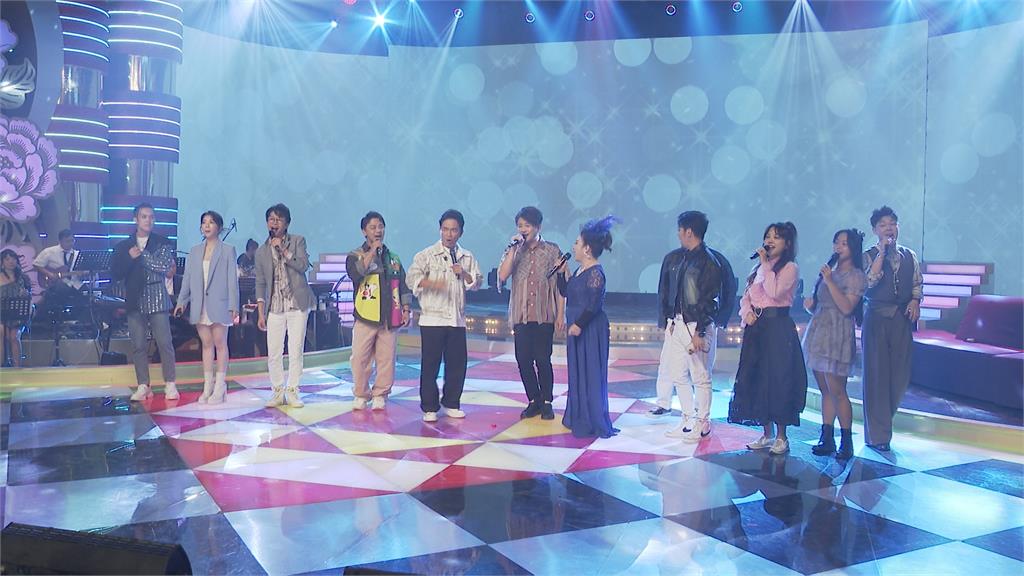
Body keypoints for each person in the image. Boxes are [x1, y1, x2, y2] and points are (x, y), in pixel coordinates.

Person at [728, 222, 807, 455]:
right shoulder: (758, 268)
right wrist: (747, 312)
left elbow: (774, 292)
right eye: (768, 236)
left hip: (778, 328)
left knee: (779, 378)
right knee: (758, 377)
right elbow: (747, 296)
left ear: (787, 243)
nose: (770, 241)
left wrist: (765, 264)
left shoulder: (790, 268)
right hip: (757, 329)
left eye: (776, 237)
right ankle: (766, 433)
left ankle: (782, 437)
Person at [652, 211, 724, 443]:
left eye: (680, 230)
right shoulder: (682, 258)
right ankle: (687, 419)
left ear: (689, 232)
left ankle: (703, 423)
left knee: (700, 376)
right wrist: (671, 320)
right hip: (679, 323)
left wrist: (700, 331)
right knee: (677, 372)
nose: (678, 234)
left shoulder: (708, 261)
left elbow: (711, 299)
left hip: (696, 325)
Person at [407, 209, 482, 422]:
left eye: (454, 230)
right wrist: (432, 283)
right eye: (445, 229)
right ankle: (429, 407)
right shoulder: (426, 255)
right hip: (432, 318)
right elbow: (411, 279)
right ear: (440, 230)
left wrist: (464, 273)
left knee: (457, 364)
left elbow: (477, 282)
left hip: (457, 318)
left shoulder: (467, 256)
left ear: (461, 232)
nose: (449, 234)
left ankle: (451, 402)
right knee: (430, 364)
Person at [861, 206, 922, 451]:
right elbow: (868, 283)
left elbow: (917, 283)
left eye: (893, 224)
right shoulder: (868, 255)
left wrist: (915, 300)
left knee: (899, 376)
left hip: (901, 319)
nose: (889, 228)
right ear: (875, 230)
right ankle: (878, 435)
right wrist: (881, 254)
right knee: (876, 376)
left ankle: (883, 422)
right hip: (876, 318)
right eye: (883, 225)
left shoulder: (909, 255)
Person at [802, 228, 867, 459]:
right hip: (819, 331)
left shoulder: (856, 275)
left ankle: (846, 440)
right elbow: (820, 303)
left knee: (837, 390)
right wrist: (810, 305)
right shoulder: (829, 271)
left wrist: (829, 281)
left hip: (838, 334)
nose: (838, 247)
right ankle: (826, 436)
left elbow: (847, 307)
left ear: (853, 248)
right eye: (836, 242)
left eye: (844, 243)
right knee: (824, 390)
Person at [497, 206, 565, 420]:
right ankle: (533, 400)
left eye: (527, 225)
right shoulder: (514, 250)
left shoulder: (552, 250)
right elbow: (502, 275)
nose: (523, 229)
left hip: (545, 314)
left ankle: (547, 401)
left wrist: (560, 314)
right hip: (521, 315)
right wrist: (513, 250)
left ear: (538, 227)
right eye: (520, 225)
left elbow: (562, 285)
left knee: (543, 359)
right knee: (523, 360)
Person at [557, 216, 619, 439]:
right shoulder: (579, 270)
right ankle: (578, 414)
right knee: (578, 370)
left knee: (590, 371)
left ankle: (592, 418)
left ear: (587, 249)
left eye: (577, 243)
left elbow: (594, 305)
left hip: (590, 329)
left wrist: (579, 324)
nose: (573, 246)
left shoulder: (595, 273)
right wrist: (561, 273)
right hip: (577, 326)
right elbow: (566, 292)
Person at [110, 203, 178, 402]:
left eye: (151, 217)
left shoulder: (162, 242)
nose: (148, 220)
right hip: (134, 298)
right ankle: (143, 385)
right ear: (135, 220)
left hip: (157, 297)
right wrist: (130, 258)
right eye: (144, 216)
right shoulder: (124, 246)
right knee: (138, 345)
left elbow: (164, 267)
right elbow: (116, 273)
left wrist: (142, 254)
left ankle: (170, 383)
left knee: (164, 343)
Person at [346, 211, 412, 411]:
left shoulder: (393, 258)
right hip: (365, 316)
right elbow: (355, 273)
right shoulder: (355, 255)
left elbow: (403, 285)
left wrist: (406, 308)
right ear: (364, 231)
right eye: (373, 227)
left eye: (380, 227)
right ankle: (361, 393)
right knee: (359, 358)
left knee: (386, 359)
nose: (378, 231)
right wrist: (372, 252)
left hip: (389, 317)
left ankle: (380, 394)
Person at [174, 211, 239, 404]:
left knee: (220, 343)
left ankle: (220, 386)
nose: (207, 225)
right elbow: (187, 279)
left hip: (220, 303)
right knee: (206, 344)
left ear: (219, 227)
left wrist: (234, 305)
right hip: (199, 304)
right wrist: (181, 302)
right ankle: (208, 386)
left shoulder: (227, 250)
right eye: (204, 222)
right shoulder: (194, 251)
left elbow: (232, 280)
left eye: (211, 222)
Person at [255, 203, 314, 409]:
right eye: (271, 219)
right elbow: (260, 283)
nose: (275, 223)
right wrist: (260, 312)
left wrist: (284, 250)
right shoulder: (261, 251)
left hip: (297, 303)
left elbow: (303, 265)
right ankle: (278, 390)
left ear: (287, 223)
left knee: (295, 350)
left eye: (279, 219)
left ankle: (293, 390)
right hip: (275, 306)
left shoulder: (297, 241)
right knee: (274, 351)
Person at [0, 249, 32, 367]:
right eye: (7, 259)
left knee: (13, 337)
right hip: (2, 313)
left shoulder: (23, 278)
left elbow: (29, 298)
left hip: (19, 313)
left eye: (13, 258)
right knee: (1, 332)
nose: (11, 261)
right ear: (2, 262)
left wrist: (26, 298)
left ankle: (17, 367)